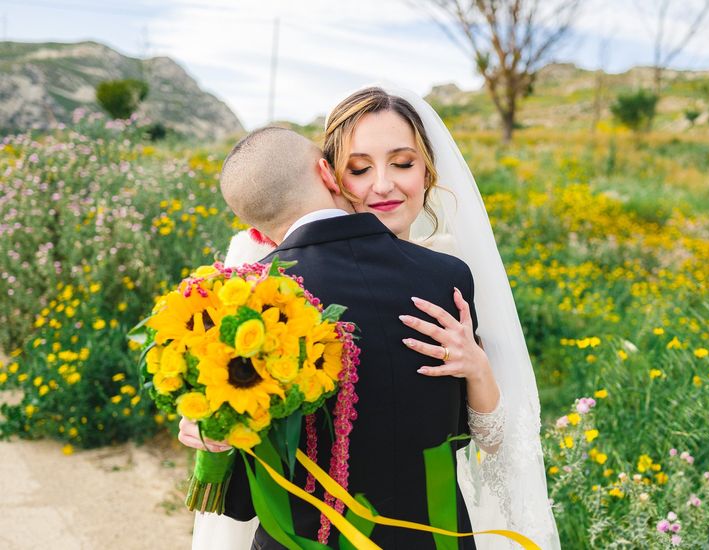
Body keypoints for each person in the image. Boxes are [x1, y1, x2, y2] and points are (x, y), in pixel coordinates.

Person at [184, 87, 560, 549]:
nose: (383, 185)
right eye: (360, 169)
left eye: (403, 163)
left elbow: (492, 440)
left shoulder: (452, 271)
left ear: (427, 171)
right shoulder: (257, 277)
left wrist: (478, 369)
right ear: (330, 175)